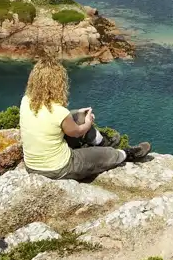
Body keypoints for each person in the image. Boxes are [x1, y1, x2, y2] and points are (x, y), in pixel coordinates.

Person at [19, 56, 151, 180]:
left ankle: (102, 142)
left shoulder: (26, 100)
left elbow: (51, 120)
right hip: (59, 168)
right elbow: (77, 132)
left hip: (31, 167)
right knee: (105, 154)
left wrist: (78, 114)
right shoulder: (59, 112)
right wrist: (88, 122)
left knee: (77, 115)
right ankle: (128, 154)